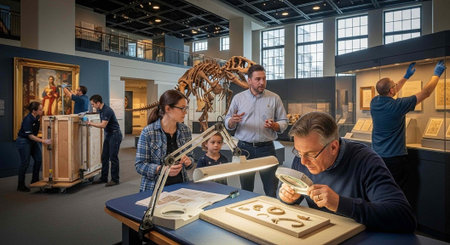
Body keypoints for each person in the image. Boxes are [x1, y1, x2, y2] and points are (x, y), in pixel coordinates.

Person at [278, 112, 416, 232]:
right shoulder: (302, 158)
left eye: (311, 154)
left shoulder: (366, 160)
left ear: (333, 147)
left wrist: (340, 203)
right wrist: (288, 198)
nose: (303, 162)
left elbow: (403, 217)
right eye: (299, 152)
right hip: (321, 233)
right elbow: (289, 195)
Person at [370, 60, 446, 208]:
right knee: (396, 194)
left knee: (381, 191)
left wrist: (406, 77)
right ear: (391, 91)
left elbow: (392, 89)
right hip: (394, 160)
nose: (395, 87)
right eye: (394, 86)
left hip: (377, 157)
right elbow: (426, 92)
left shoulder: (375, 102)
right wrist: (436, 74)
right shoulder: (397, 106)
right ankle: (395, 222)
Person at [224, 64, 288, 197]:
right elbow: (228, 121)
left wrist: (275, 125)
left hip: (267, 148)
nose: (262, 82)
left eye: (264, 79)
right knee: (246, 188)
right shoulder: (238, 98)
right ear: (249, 80)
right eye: (258, 79)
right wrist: (232, 121)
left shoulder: (274, 98)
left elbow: (284, 122)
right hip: (244, 148)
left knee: (271, 188)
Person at [135, 90, 193, 193]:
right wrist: (161, 169)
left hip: (181, 187)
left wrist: (189, 162)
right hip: (154, 190)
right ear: (167, 109)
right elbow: (140, 165)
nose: (185, 112)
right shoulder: (148, 132)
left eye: (186, 108)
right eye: (182, 108)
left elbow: (191, 161)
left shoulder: (186, 131)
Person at [16, 101, 52, 192]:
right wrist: (44, 141)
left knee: (39, 159)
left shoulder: (37, 117)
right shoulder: (27, 119)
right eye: (40, 110)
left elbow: (36, 131)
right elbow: (30, 136)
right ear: (34, 111)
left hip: (32, 141)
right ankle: (20, 185)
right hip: (24, 141)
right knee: (25, 163)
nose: (42, 111)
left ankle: (34, 180)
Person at [88, 94, 122, 187]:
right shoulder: (100, 109)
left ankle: (115, 179)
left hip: (115, 135)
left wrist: (90, 123)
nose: (92, 106)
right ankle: (104, 178)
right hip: (109, 135)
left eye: (93, 104)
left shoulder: (107, 110)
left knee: (113, 157)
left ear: (98, 103)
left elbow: (103, 125)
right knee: (104, 157)